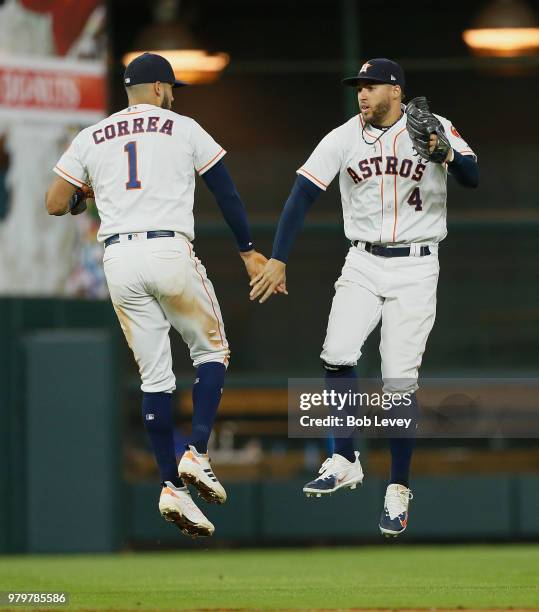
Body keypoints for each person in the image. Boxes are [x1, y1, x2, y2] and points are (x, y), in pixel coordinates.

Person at [250, 58, 478, 537]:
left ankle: (398, 487)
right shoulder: (343, 137)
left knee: (398, 382)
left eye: (371, 86)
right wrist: (278, 257)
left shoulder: (435, 128)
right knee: (336, 352)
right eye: (359, 86)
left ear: (396, 91)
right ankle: (344, 456)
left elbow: (473, 176)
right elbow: (301, 195)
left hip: (417, 264)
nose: (362, 94)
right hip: (363, 258)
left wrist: (445, 153)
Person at [46, 52, 269, 538]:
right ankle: (198, 451)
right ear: (157, 89)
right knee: (212, 350)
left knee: (155, 377)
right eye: (170, 87)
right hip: (167, 249)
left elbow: (55, 202)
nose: (172, 94)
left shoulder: (92, 135)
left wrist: (88, 196)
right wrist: (248, 250)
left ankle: (171, 486)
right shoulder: (182, 126)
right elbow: (224, 190)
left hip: (119, 260)